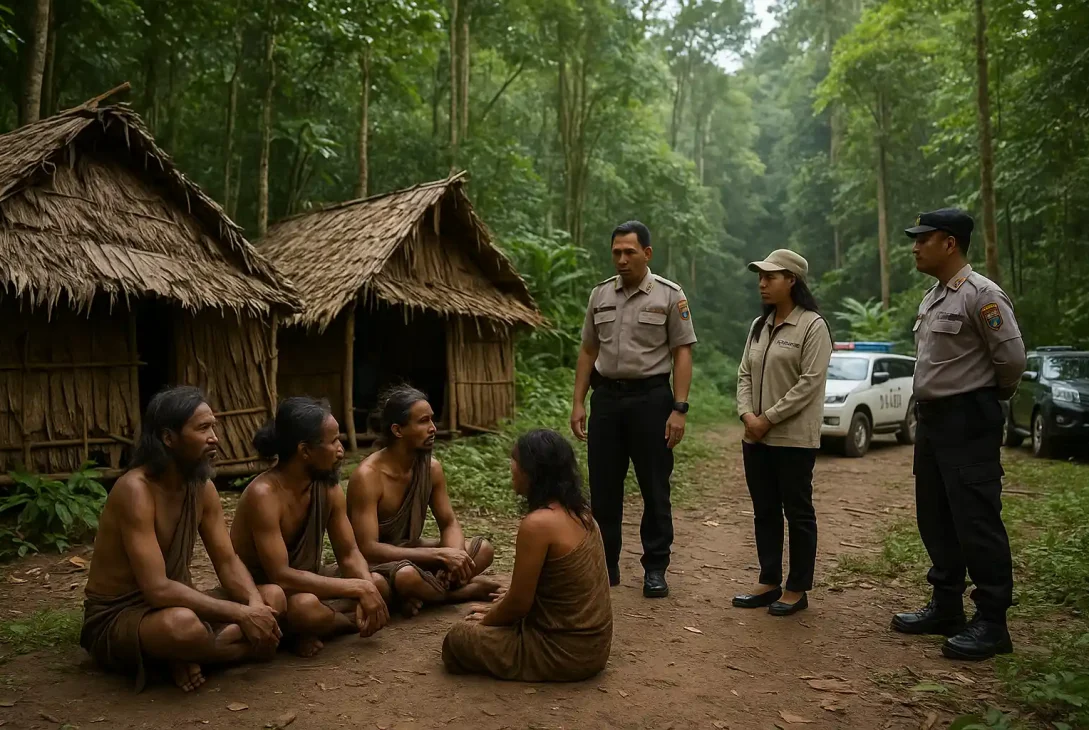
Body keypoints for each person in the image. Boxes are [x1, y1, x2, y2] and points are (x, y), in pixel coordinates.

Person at [81, 386, 284, 693]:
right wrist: (242, 615)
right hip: (120, 616)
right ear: (168, 438)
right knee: (182, 627)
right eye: (203, 428)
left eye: (213, 427)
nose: (214, 437)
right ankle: (209, 652)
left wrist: (255, 606)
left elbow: (227, 562)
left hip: (177, 603)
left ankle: (190, 655)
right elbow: (158, 590)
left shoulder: (202, 488)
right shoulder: (135, 490)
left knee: (273, 597)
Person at [893, 209, 1026, 660]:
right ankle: (945, 605)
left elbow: (1011, 360)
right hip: (932, 420)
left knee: (976, 519)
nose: (915, 246)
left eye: (922, 239)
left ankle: (992, 621)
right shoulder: (932, 298)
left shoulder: (982, 296)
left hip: (968, 418)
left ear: (949, 243)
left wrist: (986, 398)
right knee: (935, 515)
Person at [570, 220, 697, 599]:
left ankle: (655, 568)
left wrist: (680, 408)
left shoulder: (670, 296)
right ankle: (605, 567)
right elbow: (589, 350)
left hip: (652, 400)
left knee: (654, 487)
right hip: (606, 400)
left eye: (629, 252)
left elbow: (683, 352)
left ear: (647, 253)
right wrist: (578, 401)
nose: (622, 260)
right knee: (604, 489)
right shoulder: (600, 296)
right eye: (616, 252)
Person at [442, 429, 613, 681]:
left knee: (457, 638)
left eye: (515, 460)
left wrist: (488, 621)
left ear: (533, 472)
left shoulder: (538, 524)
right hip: (594, 650)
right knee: (501, 601)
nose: (511, 467)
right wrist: (508, 601)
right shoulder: (583, 515)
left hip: (560, 654)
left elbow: (520, 603)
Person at [230, 397, 391, 658]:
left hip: (309, 583)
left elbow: (349, 553)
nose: (341, 449)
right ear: (305, 451)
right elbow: (280, 576)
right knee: (305, 608)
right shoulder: (264, 495)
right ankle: (333, 625)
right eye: (333, 441)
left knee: (378, 583)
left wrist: (366, 587)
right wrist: (357, 590)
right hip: (271, 593)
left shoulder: (327, 487)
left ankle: (316, 626)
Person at [734, 249, 831, 617]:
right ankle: (768, 579)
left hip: (792, 439)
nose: (762, 282)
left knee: (798, 511)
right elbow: (744, 373)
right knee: (764, 511)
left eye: (770, 277)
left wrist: (768, 418)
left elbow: (809, 384)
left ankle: (797, 587)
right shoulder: (758, 326)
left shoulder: (812, 326)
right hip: (755, 438)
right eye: (760, 276)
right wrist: (747, 414)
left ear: (792, 281)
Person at [346, 386, 499, 615]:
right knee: (405, 576)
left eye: (432, 421)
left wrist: (454, 557)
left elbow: (449, 522)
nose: (433, 429)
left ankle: (424, 593)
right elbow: (368, 548)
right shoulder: (367, 477)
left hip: (414, 553)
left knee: (483, 549)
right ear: (398, 430)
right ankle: (461, 593)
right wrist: (438, 555)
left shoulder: (431, 468)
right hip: (378, 563)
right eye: (423, 421)